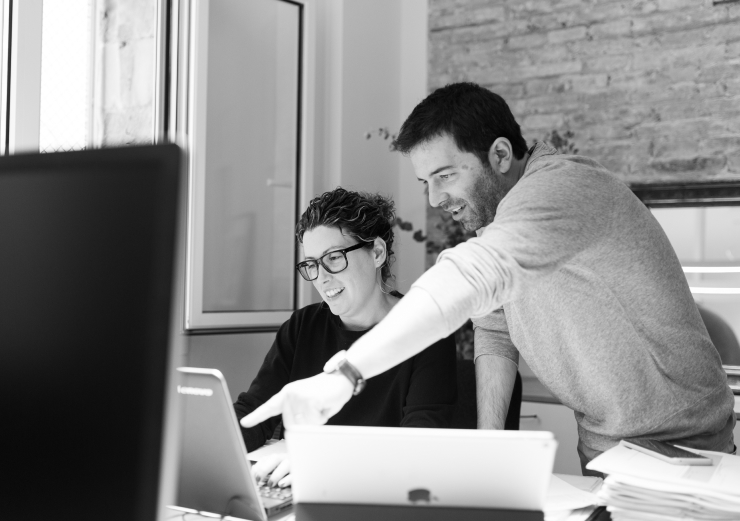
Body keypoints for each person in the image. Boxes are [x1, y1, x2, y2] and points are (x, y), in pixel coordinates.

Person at [241, 82, 736, 474]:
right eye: (425, 182)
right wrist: (488, 450)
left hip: (684, 450)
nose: (435, 199)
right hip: (607, 452)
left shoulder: (563, 189)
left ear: (500, 155)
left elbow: (470, 275)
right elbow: (496, 331)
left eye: (445, 176)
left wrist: (346, 374)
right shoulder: (500, 223)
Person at [234, 187, 457, 486]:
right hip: (300, 486)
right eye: (311, 264)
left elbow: (419, 444)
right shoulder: (302, 327)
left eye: (334, 258)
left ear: (377, 253)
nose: (322, 277)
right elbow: (255, 412)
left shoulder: (426, 332)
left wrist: (322, 465)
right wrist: (210, 444)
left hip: (376, 491)